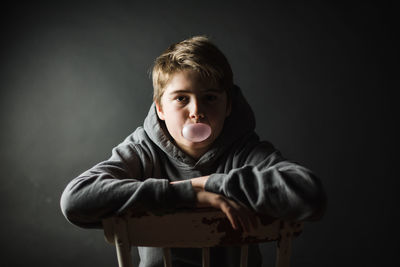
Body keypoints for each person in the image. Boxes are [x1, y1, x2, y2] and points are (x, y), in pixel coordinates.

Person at [60, 35, 326, 267]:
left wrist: (208, 183)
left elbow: (310, 194)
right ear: (160, 109)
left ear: (228, 106)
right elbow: (76, 200)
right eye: (181, 98)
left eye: (210, 97)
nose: (197, 110)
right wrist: (189, 193)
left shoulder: (244, 151)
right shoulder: (142, 150)